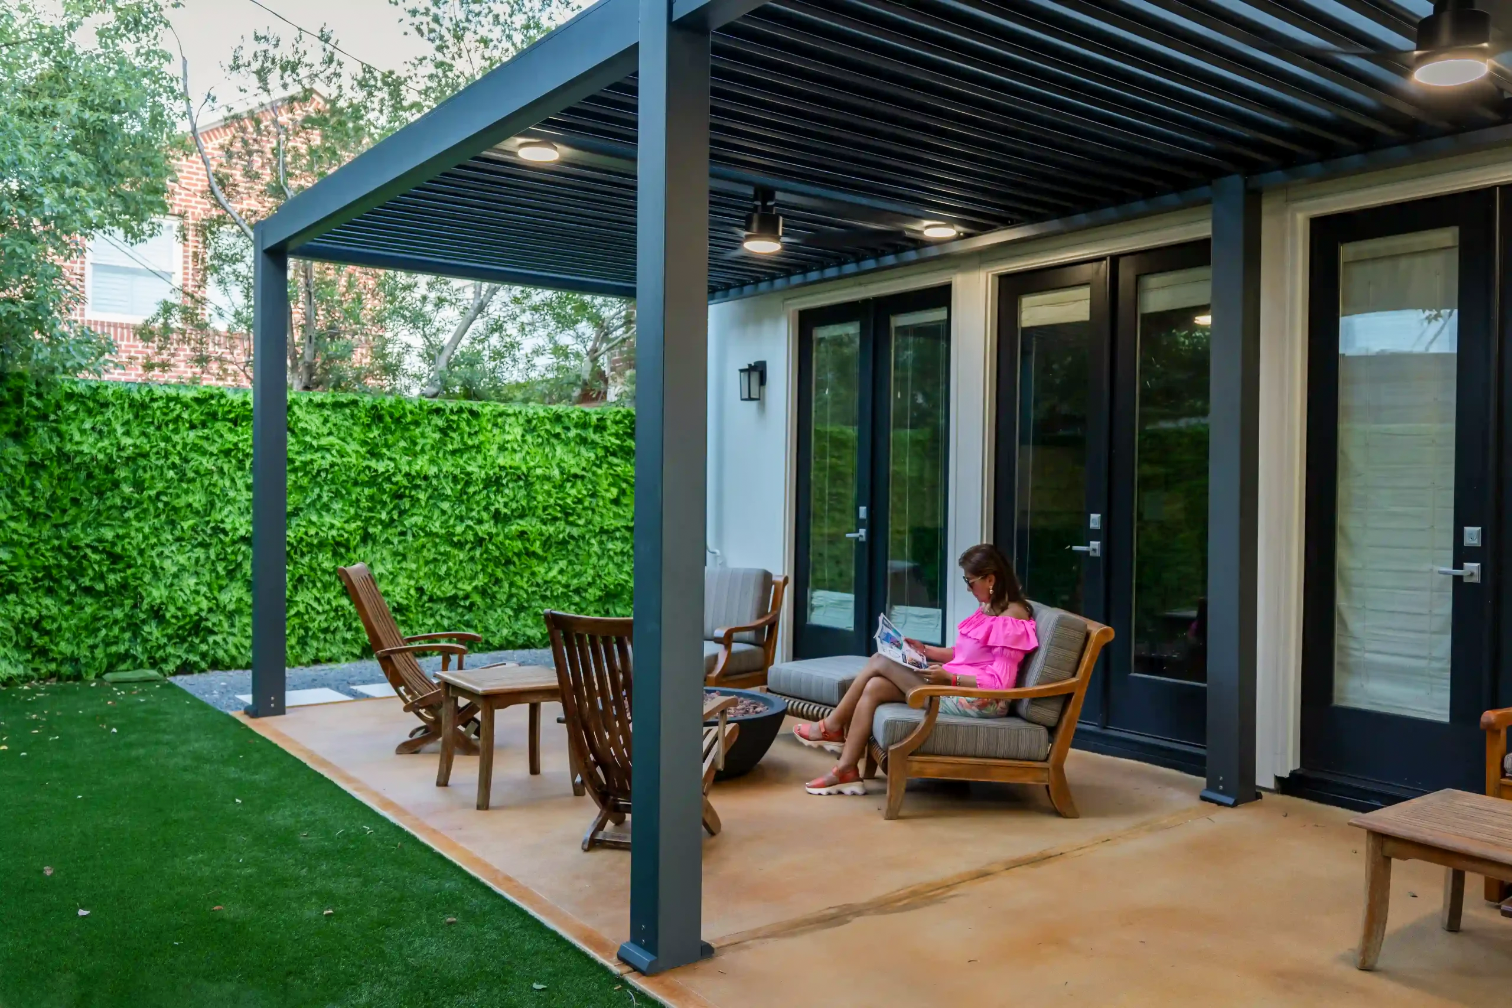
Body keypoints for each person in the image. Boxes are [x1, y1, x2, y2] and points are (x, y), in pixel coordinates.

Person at [794, 543, 1038, 796]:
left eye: (970, 580)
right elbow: (964, 654)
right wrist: (927, 651)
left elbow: (1000, 684)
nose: (967, 587)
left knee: (880, 660)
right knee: (875, 686)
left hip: (980, 701)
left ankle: (831, 727)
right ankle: (846, 769)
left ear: (990, 579)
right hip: (953, 687)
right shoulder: (990, 607)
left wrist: (950, 678)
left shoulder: (1012, 617)